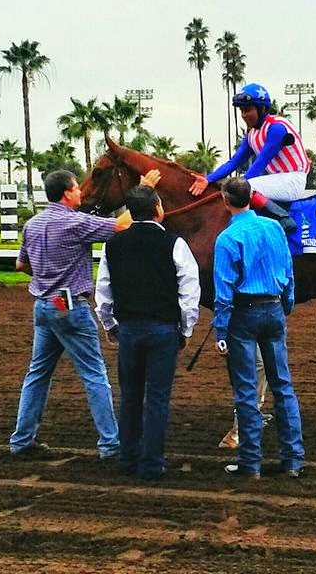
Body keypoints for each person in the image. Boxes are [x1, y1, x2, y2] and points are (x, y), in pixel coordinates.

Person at [9, 167, 159, 459]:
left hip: (43, 304)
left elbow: (21, 265)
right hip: (68, 305)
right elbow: (121, 226)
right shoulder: (75, 223)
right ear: (67, 193)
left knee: (37, 374)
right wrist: (141, 190)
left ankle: (21, 440)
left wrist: (44, 277)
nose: (81, 192)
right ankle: (110, 444)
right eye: (77, 188)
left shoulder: (33, 224)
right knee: (94, 375)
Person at [94, 185, 201, 480]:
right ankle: (152, 464)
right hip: (163, 330)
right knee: (156, 398)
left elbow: (103, 291)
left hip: (128, 329)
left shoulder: (112, 245)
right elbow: (189, 291)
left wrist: (109, 325)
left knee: (129, 396)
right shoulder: (174, 244)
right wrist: (186, 329)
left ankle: (128, 459)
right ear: (158, 209)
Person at [213, 176, 305, 478]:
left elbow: (224, 290)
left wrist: (221, 330)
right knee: (283, 385)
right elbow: (289, 272)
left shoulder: (227, 239)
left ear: (226, 202)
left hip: (244, 314)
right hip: (274, 309)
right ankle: (293, 459)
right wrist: (286, 304)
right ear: (252, 197)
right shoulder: (275, 227)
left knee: (246, 389)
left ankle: (250, 462)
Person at [188, 83, 309, 233]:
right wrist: (208, 179)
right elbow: (234, 162)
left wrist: (239, 185)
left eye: (248, 110)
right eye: (242, 111)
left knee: (246, 187)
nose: (244, 115)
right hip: (277, 180)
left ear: (262, 108)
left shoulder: (277, 127)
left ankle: (283, 219)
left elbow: (260, 164)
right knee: (243, 185)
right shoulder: (252, 134)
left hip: (293, 180)